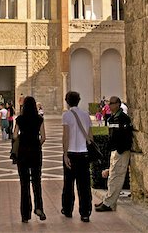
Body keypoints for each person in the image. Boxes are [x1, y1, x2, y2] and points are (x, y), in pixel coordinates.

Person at [95, 96, 132, 212]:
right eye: (109, 103)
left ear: (117, 104)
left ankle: (108, 203)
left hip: (120, 151)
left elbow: (125, 136)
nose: (109, 106)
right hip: (114, 151)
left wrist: (120, 150)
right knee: (112, 176)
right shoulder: (113, 118)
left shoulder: (123, 118)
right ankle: (107, 200)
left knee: (116, 176)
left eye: (111, 103)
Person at [13, 96, 46, 223]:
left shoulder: (20, 119)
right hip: (36, 153)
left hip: (23, 153)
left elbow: (15, 135)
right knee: (37, 182)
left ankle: (25, 214)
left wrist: (23, 139)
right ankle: (39, 207)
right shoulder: (39, 119)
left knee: (24, 184)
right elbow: (43, 137)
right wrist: (36, 144)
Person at [62, 91, 93, 223]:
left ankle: (68, 209)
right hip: (84, 153)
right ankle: (85, 212)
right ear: (78, 100)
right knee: (84, 184)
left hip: (71, 153)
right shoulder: (86, 115)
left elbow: (66, 136)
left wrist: (65, 154)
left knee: (68, 183)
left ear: (67, 101)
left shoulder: (67, 115)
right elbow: (90, 136)